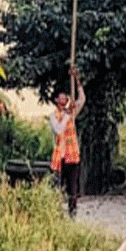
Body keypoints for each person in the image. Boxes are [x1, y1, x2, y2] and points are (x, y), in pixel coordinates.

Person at [50, 67, 86, 217]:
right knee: (59, 188)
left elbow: (82, 99)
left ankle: (72, 214)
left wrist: (77, 79)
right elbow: (58, 130)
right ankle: (57, 215)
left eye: (65, 96)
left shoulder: (70, 113)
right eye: (61, 96)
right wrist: (67, 114)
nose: (64, 98)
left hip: (73, 156)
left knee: (73, 189)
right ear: (56, 100)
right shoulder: (54, 116)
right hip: (60, 158)